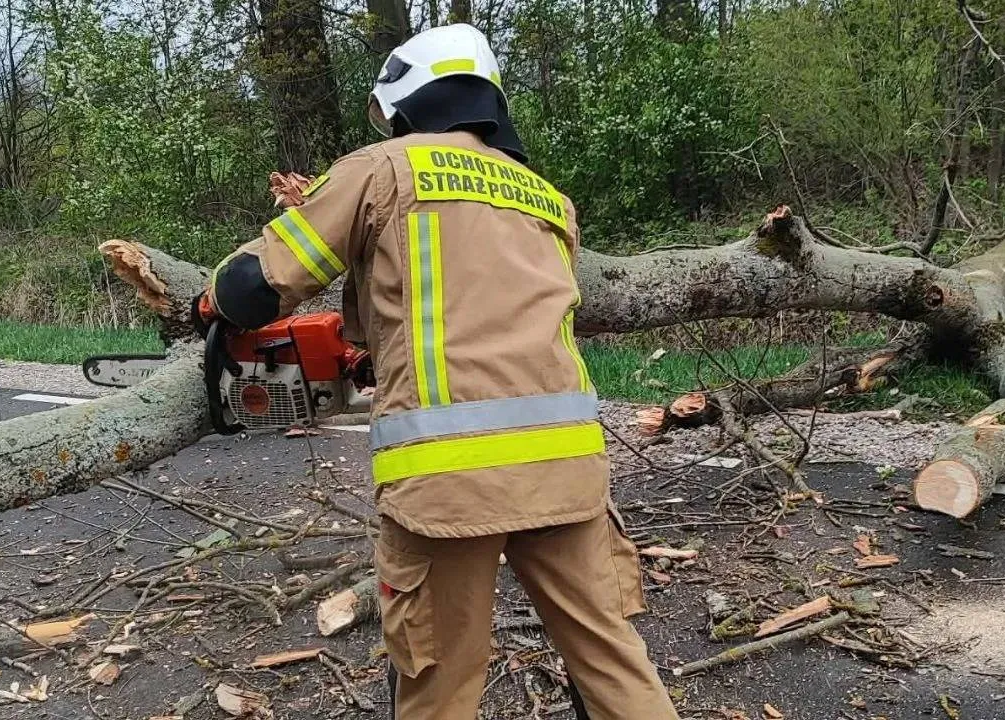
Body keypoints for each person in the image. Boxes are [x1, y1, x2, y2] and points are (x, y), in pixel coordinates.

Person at [195, 23, 680, 720]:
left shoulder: (382, 169)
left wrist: (206, 302)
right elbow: (488, 314)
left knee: (439, 684)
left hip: (447, 485)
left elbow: (257, 286)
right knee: (613, 662)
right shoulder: (548, 201)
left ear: (407, 99)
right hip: (568, 470)